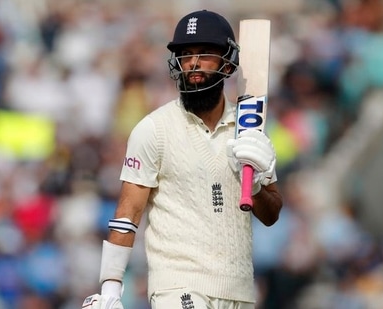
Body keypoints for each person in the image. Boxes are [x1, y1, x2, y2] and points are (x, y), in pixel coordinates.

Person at [83, 9, 282, 309]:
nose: (193, 63)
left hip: (239, 291)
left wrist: (253, 184)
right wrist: (111, 288)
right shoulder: (153, 130)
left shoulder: (249, 130)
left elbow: (272, 214)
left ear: (228, 64)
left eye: (205, 53)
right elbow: (128, 213)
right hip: (177, 286)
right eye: (186, 54)